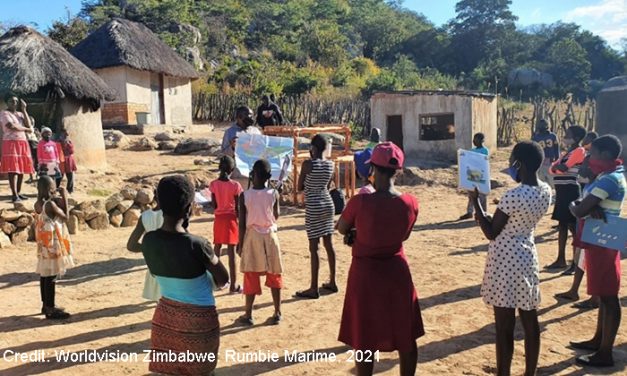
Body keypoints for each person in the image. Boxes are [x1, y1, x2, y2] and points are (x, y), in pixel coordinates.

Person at [336, 142, 423, 376]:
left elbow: (342, 228)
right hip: (397, 272)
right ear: (398, 171)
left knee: (365, 336)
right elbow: (403, 234)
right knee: (405, 334)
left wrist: (358, 233)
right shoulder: (410, 203)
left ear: (372, 169)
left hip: (365, 276)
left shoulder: (360, 202)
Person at [470, 141, 551, 376]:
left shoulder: (513, 196)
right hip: (527, 255)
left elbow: (491, 232)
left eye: (512, 161)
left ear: (520, 164)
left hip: (505, 259)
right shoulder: (545, 190)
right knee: (529, 318)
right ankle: (530, 373)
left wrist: (475, 201)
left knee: (504, 324)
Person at [141, 175, 229, 375]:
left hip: (165, 320)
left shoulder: (149, 241)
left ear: (159, 204)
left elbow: (157, 273)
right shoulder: (198, 244)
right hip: (199, 324)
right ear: (189, 208)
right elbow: (223, 279)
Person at [569, 135, 625, 368]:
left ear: (604, 154)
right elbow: (586, 205)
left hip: (603, 242)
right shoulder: (610, 175)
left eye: (593, 152)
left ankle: (605, 353)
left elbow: (579, 208)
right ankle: (598, 341)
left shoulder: (608, 180)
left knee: (609, 297)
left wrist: (577, 206)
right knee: (603, 294)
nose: (589, 157)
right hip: (600, 240)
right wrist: (585, 207)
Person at [237, 159, 283, 325]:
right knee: (274, 273)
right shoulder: (274, 194)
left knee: (251, 274)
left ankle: (248, 314)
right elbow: (276, 215)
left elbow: (241, 223)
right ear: (268, 176)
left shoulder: (245, 195)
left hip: (252, 236)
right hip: (271, 236)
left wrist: (240, 244)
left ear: (253, 174)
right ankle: (277, 312)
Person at [554, 156, 599, 310]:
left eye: (585, 166)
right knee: (580, 258)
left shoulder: (600, 183)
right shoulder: (589, 184)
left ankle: (595, 297)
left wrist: (574, 206)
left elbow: (580, 209)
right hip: (585, 226)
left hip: (593, 229)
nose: (582, 169)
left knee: (592, 262)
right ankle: (574, 291)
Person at [296, 135, 337, 299]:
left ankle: (314, 288)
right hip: (328, 203)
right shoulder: (330, 164)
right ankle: (332, 281)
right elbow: (327, 186)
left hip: (313, 206)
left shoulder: (308, 164)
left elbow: (300, 186)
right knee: (329, 244)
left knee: (314, 248)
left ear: (312, 148)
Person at [547, 125, 587, 271]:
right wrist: (556, 168)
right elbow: (553, 168)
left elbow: (561, 168)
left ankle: (576, 263)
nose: (565, 136)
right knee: (562, 225)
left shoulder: (579, 151)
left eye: (568, 134)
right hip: (562, 192)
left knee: (572, 228)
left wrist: (556, 168)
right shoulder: (567, 153)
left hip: (570, 192)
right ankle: (561, 259)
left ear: (576, 138)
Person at [35, 176, 74, 319]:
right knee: (51, 275)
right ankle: (51, 309)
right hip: (52, 244)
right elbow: (66, 217)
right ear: (48, 189)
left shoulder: (38, 204)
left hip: (44, 244)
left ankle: (45, 305)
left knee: (45, 274)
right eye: (52, 187)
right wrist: (65, 196)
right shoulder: (50, 205)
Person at [210, 155, 243, 293]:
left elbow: (214, 204)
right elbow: (238, 207)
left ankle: (216, 281)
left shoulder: (213, 184)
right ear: (232, 169)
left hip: (219, 218)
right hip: (231, 220)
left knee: (216, 250)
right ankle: (233, 285)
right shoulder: (236, 186)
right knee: (231, 253)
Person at [127, 190, 163, 301]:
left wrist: (150, 249)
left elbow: (131, 245)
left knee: (160, 299)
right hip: (172, 265)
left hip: (154, 264)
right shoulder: (174, 217)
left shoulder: (145, 216)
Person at [0, 94, 35, 202]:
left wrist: (24, 110)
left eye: (16, 101)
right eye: (11, 101)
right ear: (7, 103)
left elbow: (29, 125)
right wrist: (26, 129)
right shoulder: (4, 113)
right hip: (11, 142)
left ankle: (19, 193)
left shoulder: (20, 114)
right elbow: (11, 126)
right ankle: (14, 194)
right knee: (13, 169)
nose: (14, 103)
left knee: (22, 168)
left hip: (22, 142)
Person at [221, 106, 262, 188]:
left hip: (255, 175)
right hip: (238, 175)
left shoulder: (256, 131)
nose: (251, 118)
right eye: (248, 115)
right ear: (239, 117)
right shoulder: (230, 132)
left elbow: (263, 151)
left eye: (252, 115)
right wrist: (232, 147)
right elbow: (224, 155)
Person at [459, 133, 489, 220]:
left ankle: (482, 213)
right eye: (473, 139)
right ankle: (469, 212)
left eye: (476, 139)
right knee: (471, 194)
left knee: (482, 195)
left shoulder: (485, 150)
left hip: (482, 175)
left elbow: (482, 161)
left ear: (482, 140)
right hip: (472, 175)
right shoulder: (472, 151)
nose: (473, 141)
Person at [532, 119, 560, 189]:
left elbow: (556, 147)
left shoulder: (552, 136)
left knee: (551, 179)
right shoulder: (536, 137)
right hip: (542, 161)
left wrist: (557, 159)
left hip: (550, 161)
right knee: (542, 180)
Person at [58, 129, 77, 194]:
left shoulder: (69, 142)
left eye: (66, 134)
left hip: (69, 160)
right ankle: (56, 188)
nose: (65, 136)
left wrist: (67, 144)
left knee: (70, 175)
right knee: (60, 175)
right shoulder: (59, 142)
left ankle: (70, 189)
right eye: (64, 134)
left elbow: (72, 151)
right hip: (62, 160)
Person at [26, 116, 39, 184]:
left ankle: (37, 175)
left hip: (35, 145)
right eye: (30, 122)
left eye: (32, 122)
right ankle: (31, 177)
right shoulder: (25, 130)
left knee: (37, 161)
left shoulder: (36, 130)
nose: (31, 123)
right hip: (29, 144)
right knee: (29, 162)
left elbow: (39, 138)